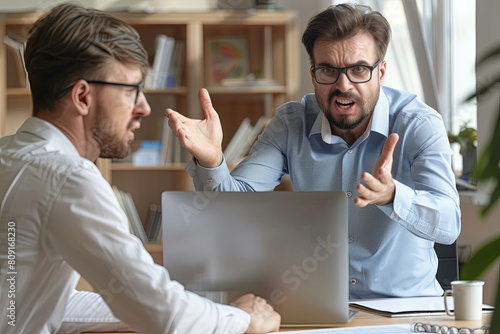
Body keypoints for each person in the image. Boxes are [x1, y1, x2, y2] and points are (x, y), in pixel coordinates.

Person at [0, 4, 280, 334]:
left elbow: (29, 305)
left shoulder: (9, 154)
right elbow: (162, 314)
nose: (144, 107)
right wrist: (243, 320)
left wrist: (198, 310)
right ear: (82, 96)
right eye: (132, 90)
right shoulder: (68, 179)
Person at [166, 3, 461, 299]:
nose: (343, 85)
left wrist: (393, 196)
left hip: (406, 310)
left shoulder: (418, 124)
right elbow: (231, 211)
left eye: (358, 69)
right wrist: (211, 160)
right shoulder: (290, 124)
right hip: (320, 309)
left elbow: (449, 224)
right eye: (328, 70)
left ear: (380, 73)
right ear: (313, 73)